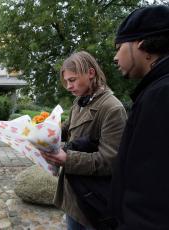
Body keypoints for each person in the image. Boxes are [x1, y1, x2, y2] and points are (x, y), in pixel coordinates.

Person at [40, 51, 127, 229]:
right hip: (74, 195)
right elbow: (67, 129)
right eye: (66, 81)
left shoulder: (112, 108)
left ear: (91, 73)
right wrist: (40, 133)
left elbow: (110, 161)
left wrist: (67, 159)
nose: (68, 86)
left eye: (72, 80)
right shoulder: (80, 101)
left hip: (93, 200)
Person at [112, 5, 169, 229]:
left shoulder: (161, 94)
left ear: (140, 44)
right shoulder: (154, 89)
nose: (116, 58)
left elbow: (151, 191)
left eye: (118, 48)